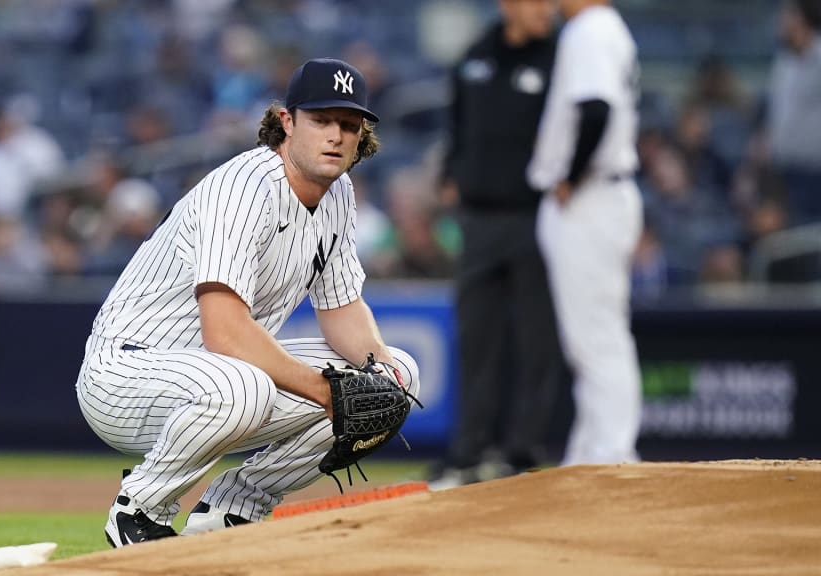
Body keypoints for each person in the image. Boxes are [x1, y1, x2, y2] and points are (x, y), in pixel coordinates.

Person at [74, 58, 421, 547]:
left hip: (215, 376)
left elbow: (342, 310)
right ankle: (141, 509)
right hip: (126, 373)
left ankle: (233, 509)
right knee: (247, 385)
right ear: (287, 122)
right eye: (321, 120)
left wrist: (382, 371)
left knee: (395, 376)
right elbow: (226, 333)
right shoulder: (244, 187)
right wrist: (327, 393)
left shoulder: (339, 192)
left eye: (348, 124)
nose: (336, 136)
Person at [430, 0, 563, 490]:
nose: (545, 10)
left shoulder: (558, 58)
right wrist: (450, 174)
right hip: (479, 220)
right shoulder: (476, 55)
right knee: (476, 339)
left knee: (535, 339)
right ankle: (468, 452)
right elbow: (458, 125)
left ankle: (522, 452)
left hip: (537, 216)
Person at [527, 0, 643, 465]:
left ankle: (612, 452)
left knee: (596, 337)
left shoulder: (590, 29)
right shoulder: (603, 28)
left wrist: (570, 177)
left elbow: (596, 110)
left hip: (591, 196)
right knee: (593, 336)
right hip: (601, 194)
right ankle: (592, 451)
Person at [767, 0, 821, 225]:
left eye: (786, 15)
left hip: (815, 173)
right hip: (784, 172)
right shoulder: (784, 62)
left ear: (800, 18)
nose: (780, 22)